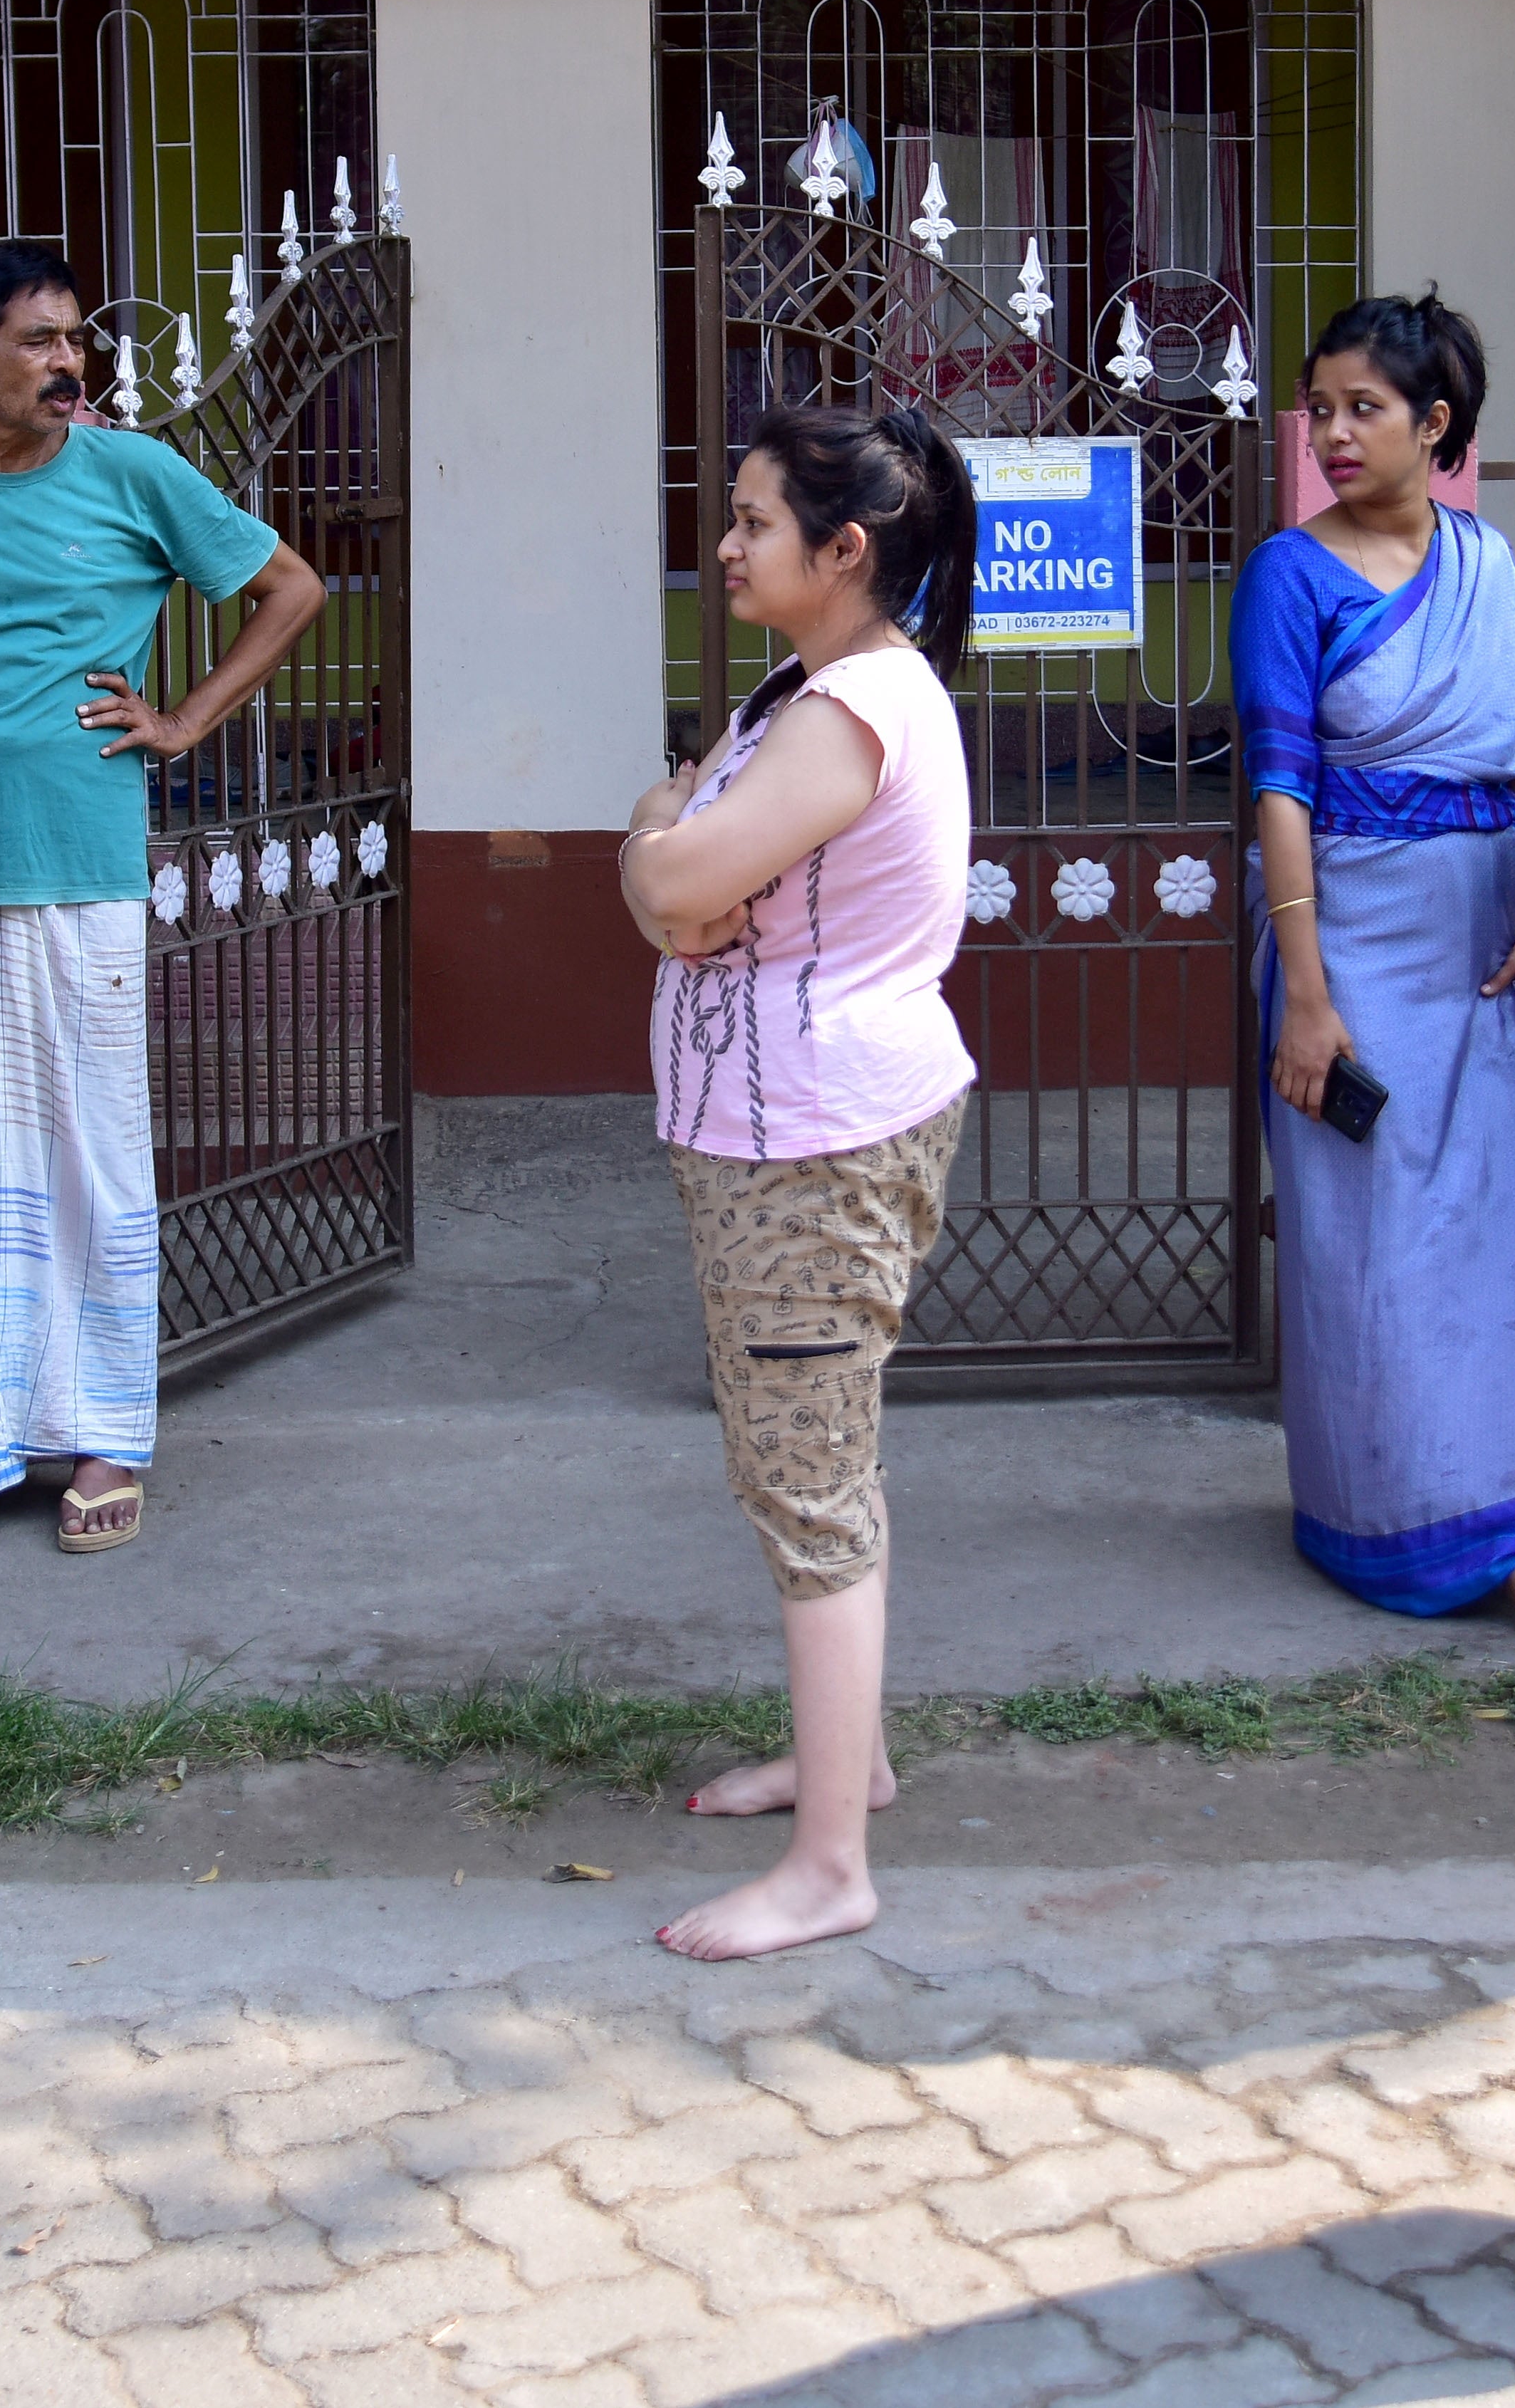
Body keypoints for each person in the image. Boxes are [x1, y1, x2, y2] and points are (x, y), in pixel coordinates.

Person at [0, 241, 325, 1566]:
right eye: (37, 341)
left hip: (84, 862)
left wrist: (185, 720)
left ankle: (106, 1432)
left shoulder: (134, 472)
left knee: (91, 1151)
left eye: (75, 340)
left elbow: (289, 589)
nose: (68, 363)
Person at [618, 402, 982, 1964]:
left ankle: (831, 1861)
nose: (727, 547)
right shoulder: (808, 687)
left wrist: (658, 852)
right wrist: (678, 856)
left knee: (809, 1474)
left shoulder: (852, 712)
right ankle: (851, 1762)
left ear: (845, 549)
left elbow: (675, 876)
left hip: (813, 1148)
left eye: (756, 521)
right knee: (808, 1461)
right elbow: (689, 858)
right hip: (779, 1134)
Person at [1239, 291, 1515, 1648]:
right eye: (1317, 406)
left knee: (1483, 1232)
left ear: (1432, 424)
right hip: (1355, 941)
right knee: (1368, 1241)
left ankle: (1494, 1524)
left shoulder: (1483, 562)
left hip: (1483, 945)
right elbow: (1277, 786)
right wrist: (1308, 990)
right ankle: (1378, 1517)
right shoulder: (1290, 572)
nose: (1329, 430)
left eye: (1360, 407)